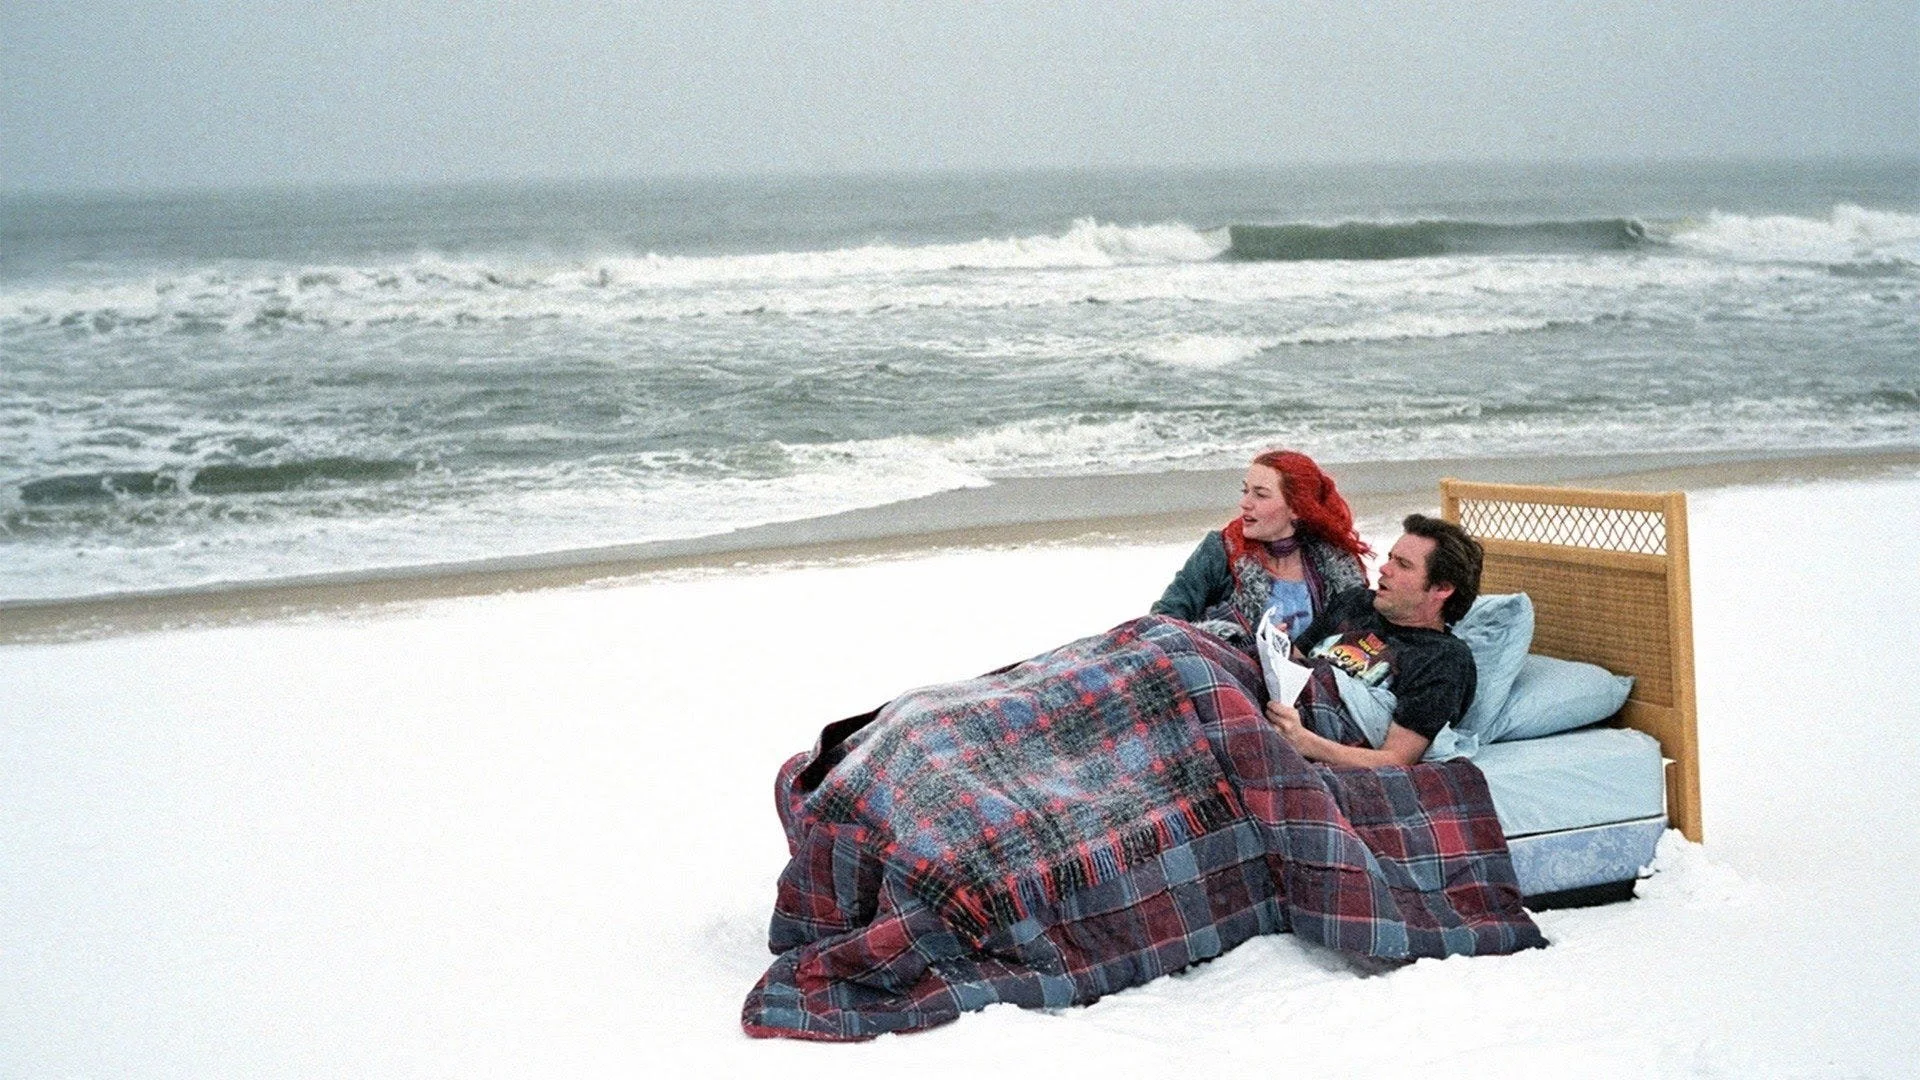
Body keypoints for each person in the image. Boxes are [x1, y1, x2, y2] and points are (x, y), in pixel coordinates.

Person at [1266, 513, 1483, 768]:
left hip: (1318, 729)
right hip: (1282, 704)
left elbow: (1397, 759)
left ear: (1442, 589)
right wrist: (1275, 645)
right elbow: (1297, 660)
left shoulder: (1442, 657)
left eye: (1403, 564)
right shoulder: (1355, 602)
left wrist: (1305, 742)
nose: (1384, 568)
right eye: (1391, 557)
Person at [1152, 449, 1369, 651]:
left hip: (1311, 680)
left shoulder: (1336, 566)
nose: (1245, 503)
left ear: (1296, 509)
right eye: (1245, 491)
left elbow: (1357, 638)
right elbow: (1162, 621)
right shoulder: (1220, 549)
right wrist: (1249, 645)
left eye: (1260, 494)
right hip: (1230, 679)